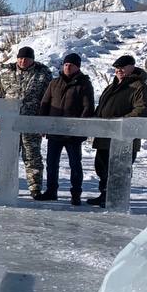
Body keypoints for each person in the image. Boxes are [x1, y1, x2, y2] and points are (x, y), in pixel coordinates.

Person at [85, 55, 147, 206]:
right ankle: (105, 195)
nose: (119, 70)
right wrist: (95, 120)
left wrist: (119, 122)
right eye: (116, 68)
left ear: (132, 67)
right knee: (102, 167)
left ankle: (116, 199)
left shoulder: (139, 87)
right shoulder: (112, 86)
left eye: (122, 67)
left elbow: (142, 110)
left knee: (119, 170)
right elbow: (102, 107)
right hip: (104, 136)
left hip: (123, 138)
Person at [35, 53, 95, 205]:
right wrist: (43, 125)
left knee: (75, 164)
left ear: (77, 67)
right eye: (66, 64)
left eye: (71, 65)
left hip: (73, 134)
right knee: (51, 164)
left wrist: (80, 128)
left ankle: (76, 194)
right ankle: (51, 191)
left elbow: (88, 108)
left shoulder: (84, 84)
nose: (68, 67)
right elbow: (45, 104)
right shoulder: (54, 83)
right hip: (54, 131)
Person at [0, 46, 52, 197]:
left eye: (26, 58)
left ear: (33, 60)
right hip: (9, 124)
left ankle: (35, 188)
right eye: (20, 58)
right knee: (8, 156)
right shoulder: (6, 75)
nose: (23, 61)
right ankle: (4, 186)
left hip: (31, 123)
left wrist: (45, 123)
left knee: (32, 156)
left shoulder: (43, 75)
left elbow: (49, 100)